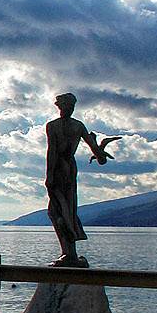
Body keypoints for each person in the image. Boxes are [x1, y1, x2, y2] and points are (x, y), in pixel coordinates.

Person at [43, 91, 119, 267]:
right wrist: (100, 150)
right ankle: (69, 253)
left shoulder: (53, 126)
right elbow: (99, 156)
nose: (66, 109)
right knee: (65, 210)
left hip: (61, 169)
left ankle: (68, 254)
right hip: (69, 168)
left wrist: (49, 176)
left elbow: (52, 152)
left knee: (58, 211)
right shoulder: (78, 126)